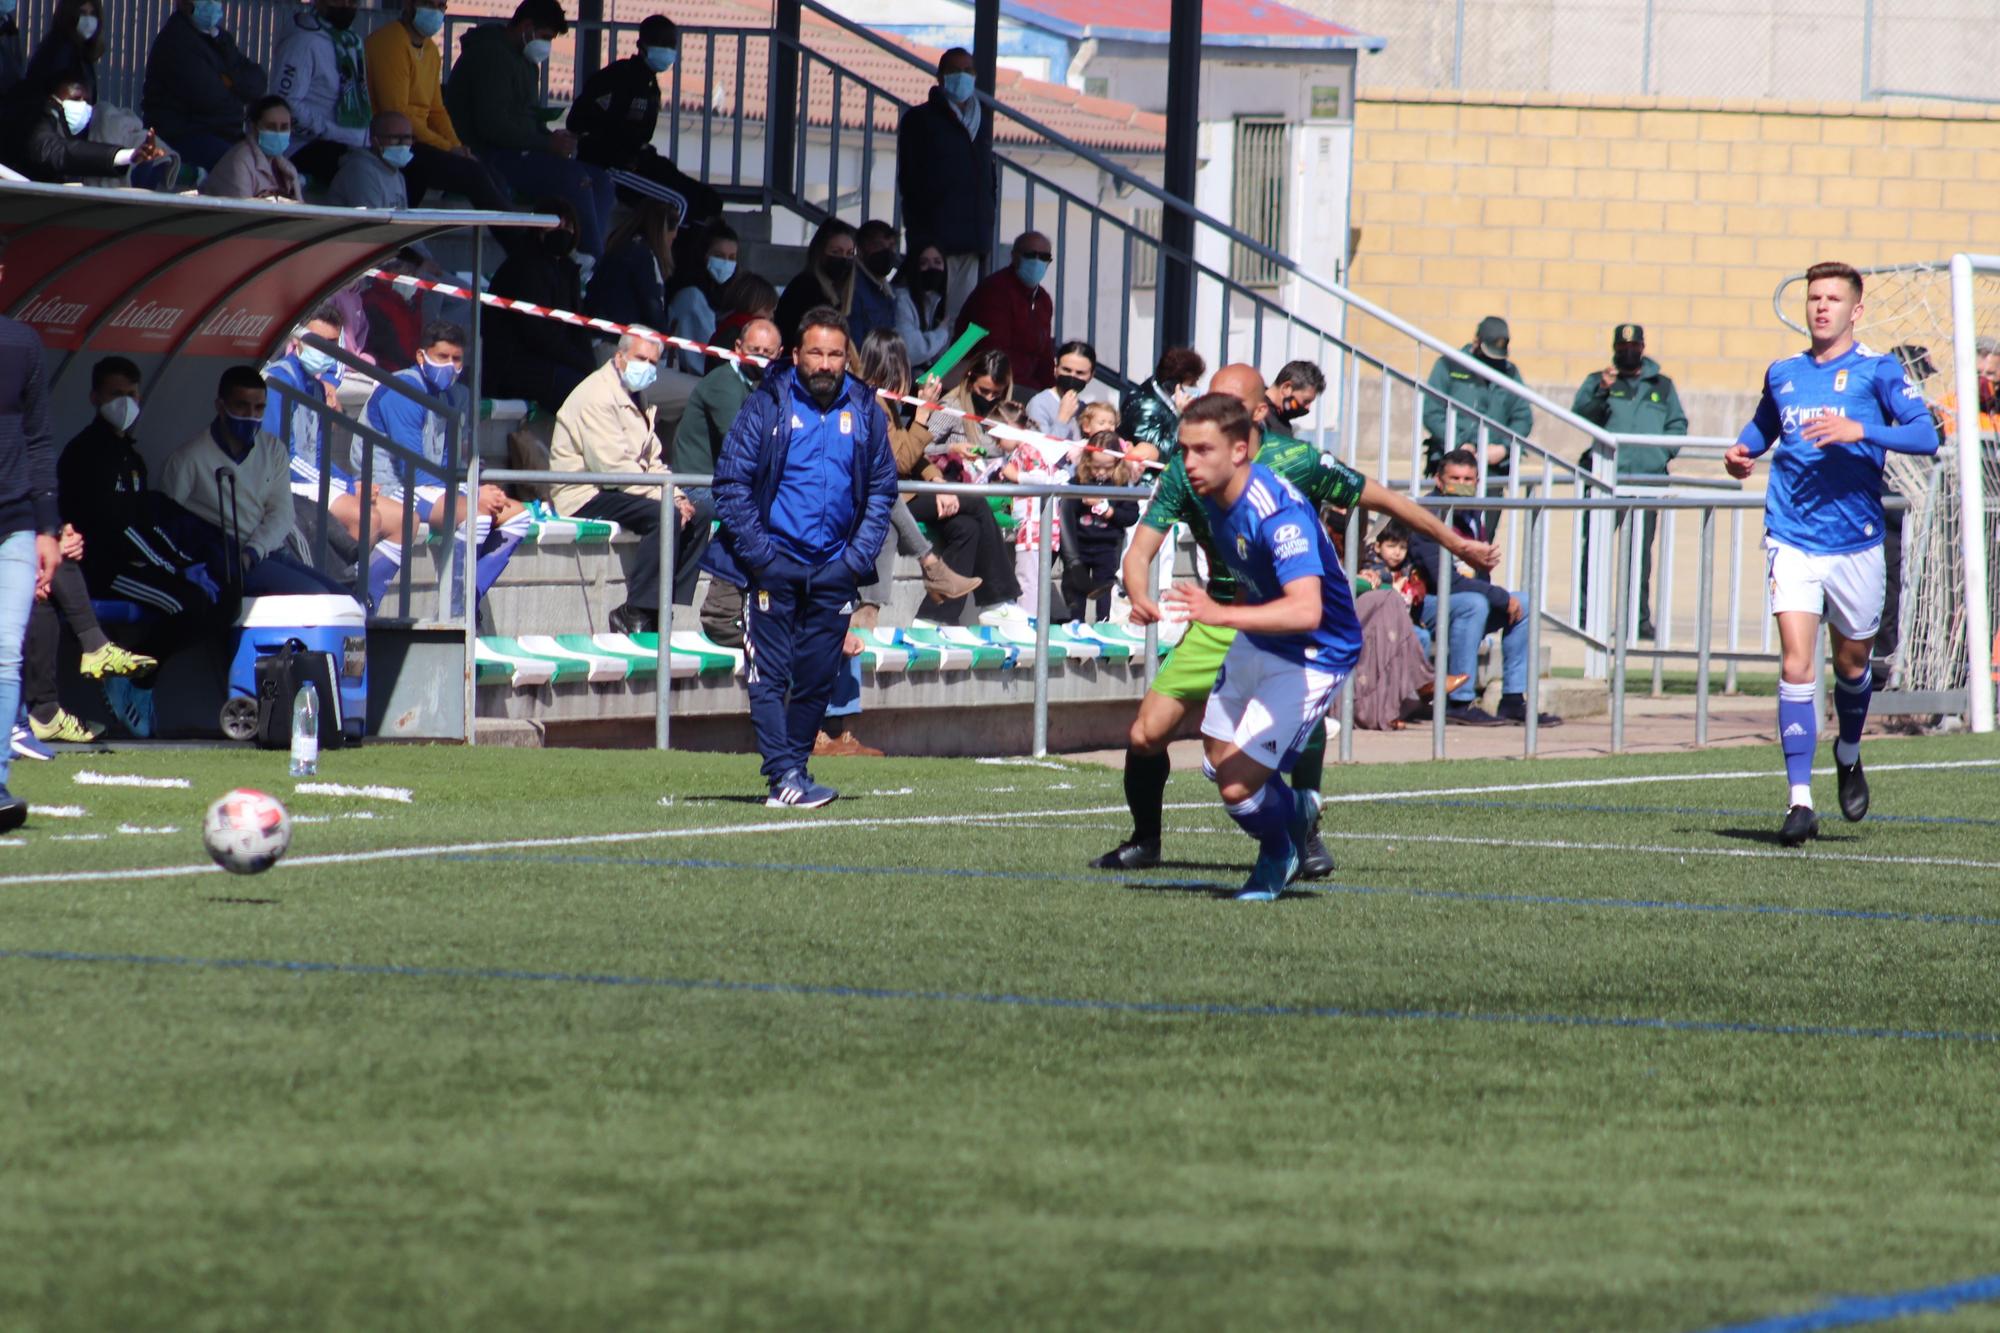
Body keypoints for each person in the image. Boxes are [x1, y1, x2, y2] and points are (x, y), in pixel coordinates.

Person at [1094, 363, 1499, 877]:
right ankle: (1145, 841)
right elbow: (1142, 547)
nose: (1208, 417)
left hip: (1285, 618)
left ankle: (1305, 837)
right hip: (1218, 615)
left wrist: (1457, 542)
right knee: (1146, 735)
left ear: (1257, 414)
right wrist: (1136, 592)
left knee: (1299, 730)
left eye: (1227, 405)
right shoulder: (1185, 466)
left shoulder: (1296, 461)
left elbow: (1384, 497)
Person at [1723, 260, 1940, 846]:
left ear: (1855, 310)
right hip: (1790, 535)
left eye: (1832, 299)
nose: (1821, 307)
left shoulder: (1878, 371)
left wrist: (1861, 431)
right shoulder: (1784, 371)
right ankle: (1799, 801)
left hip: (1858, 543)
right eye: (1814, 298)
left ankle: (1848, 749)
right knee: (1797, 662)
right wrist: (1741, 451)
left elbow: (1927, 436)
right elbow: (1764, 425)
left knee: (1850, 665)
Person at [1155, 394, 1365, 900]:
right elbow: (1252, 573)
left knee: (1236, 787)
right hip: (1256, 637)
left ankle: (1279, 853)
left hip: (1314, 651)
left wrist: (1219, 613)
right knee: (1213, 762)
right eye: (1184, 449)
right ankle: (1299, 807)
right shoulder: (1212, 496)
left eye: (1203, 450)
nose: (1189, 463)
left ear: (1242, 449)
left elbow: (1306, 610)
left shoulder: (1279, 514)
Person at [701, 305, 898, 809]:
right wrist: (762, 556)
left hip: (835, 568)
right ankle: (783, 776)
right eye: (816, 352)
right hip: (774, 564)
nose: (826, 363)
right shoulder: (768, 401)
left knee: (816, 678)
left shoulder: (865, 408)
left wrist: (855, 559)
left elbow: (881, 489)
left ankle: (794, 772)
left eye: (835, 354)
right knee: (769, 674)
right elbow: (731, 482)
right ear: (797, 354)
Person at [57, 355, 227, 730]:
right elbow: (116, 530)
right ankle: (135, 678)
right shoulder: (87, 453)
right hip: (102, 570)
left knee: (211, 601)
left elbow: (146, 523)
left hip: (132, 564)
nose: (126, 403)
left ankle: (134, 675)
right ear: (94, 397)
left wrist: (183, 562)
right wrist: (177, 568)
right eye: (116, 394)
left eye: (132, 394)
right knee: (189, 604)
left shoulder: (130, 456)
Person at [359, 322, 531, 614]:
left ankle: (465, 599)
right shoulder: (402, 391)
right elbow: (415, 468)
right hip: (395, 485)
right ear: (421, 356)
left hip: (432, 484)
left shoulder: (452, 395)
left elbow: (450, 462)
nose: (450, 366)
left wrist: (473, 488)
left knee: (517, 515)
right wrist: (474, 497)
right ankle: (457, 613)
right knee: (475, 513)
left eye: (456, 359)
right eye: (442, 357)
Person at [550, 330, 707, 633]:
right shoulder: (597, 395)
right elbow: (613, 469)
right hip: (586, 491)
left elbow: (653, 460)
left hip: (623, 486)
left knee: (703, 512)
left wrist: (674, 493)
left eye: (653, 361)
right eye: (640, 358)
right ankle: (636, 609)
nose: (647, 366)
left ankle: (663, 604)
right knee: (664, 515)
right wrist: (666, 499)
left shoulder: (637, 396)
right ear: (619, 357)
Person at [158, 366, 353, 599]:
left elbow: (281, 514)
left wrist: (253, 551)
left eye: (258, 408)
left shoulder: (273, 450)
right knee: (318, 598)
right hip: (225, 562)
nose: (251, 415)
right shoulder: (188, 459)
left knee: (347, 600)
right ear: (221, 407)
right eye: (241, 406)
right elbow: (166, 522)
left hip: (265, 552)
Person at [445, 0, 618, 259]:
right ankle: (590, 260)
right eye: (545, 37)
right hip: (487, 155)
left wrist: (553, 139)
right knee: (574, 179)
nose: (547, 45)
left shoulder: (526, 63)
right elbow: (492, 126)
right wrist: (547, 145)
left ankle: (590, 256)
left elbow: (528, 119)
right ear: (526, 26)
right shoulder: (489, 55)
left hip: (521, 152)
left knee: (602, 181)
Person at [1404, 449, 1558, 728]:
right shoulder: (1426, 515)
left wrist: (1499, 598)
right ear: (1438, 481)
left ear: (1477, 482)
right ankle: (1459, 702)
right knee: (1474, 603)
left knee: (1524, 602)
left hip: (1463, 604)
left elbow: (1477, 575)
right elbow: (1445, 581)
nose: (1461, 483)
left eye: (1468, 478)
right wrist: (1497, 597)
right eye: (1454, 478)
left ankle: (1513, 700)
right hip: (1425, 605)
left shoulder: (1473, 514)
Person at [848, 328, 983, 612]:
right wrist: (922, 415)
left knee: (966, 528)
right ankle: (996, 597)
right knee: (976, 502)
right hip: (882, 492)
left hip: (895, 493)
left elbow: (911, 453)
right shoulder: (872, 402)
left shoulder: (884, 402)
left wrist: (938, 482)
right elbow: (900, 461)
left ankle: (936, 615)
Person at [1573, 323, 1689, 640]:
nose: (1628, 351)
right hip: (1604, 480)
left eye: (1633, 346)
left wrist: (1663, 452)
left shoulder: (1662, 385)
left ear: (1642, 346)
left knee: (1641, 554)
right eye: (1622, 347)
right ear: (1614, 348)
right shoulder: (1599, 381)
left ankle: (1638, 620)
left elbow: (1677, 423)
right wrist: (1602, 389)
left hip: (1647, 481)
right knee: (1594, 550)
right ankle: (1586, 615)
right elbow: (1580, 415)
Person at [0, 242, 62, 828]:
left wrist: (47, 526)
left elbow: (40, 441)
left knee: (3, 654)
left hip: (14, 521)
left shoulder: (21, 343)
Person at [565, 13, 720, 226]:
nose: (667, 50)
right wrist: (617, 149)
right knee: (678, 204)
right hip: (611, 166)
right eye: (660, 43)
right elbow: (578, 122)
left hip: (640, 161)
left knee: (708, 201)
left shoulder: (650, 87)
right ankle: (665, 255)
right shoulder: (617, 77)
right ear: (641, 44)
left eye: (671, 44)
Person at [364, 0, 513, 213]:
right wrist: (447, 148)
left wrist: (457, 147)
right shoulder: (389, 42)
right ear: (409, 4)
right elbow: (397, 113)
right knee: (473, 175)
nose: (437, 12)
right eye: (430, 5)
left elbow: (436, 110)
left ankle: (519, 229)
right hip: (396, 143)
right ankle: (521, 237)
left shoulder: (431, 51)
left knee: (489, 173)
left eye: (442, 6)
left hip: (422, 142)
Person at [895, 47, 993, 323]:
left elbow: (987, 176)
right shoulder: (920, 119)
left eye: (968, 71)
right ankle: (935, 367)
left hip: (973, 240)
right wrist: (921, 238)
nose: (962, 77)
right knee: (935, 316)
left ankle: (956, 367)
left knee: (966, 319)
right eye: (954, 71)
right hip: (936, 244)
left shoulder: (981, 121)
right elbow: (910, 181)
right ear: (940, 77)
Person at [484, 199, 596, 416]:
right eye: (556, 225)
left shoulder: (566, 270)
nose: (563, 232)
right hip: (516, 367)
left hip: (554, 365)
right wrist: (582, 364)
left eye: (568, 226)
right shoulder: (523, 267)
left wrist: (590, 366)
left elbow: (577, 326)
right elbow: (537, 335)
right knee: (591, 398)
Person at [139, 0, 267, 171]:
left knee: (263, 162)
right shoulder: (177, 41)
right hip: (183, 137)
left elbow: (257, 83)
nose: (213, 4)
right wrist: (237, 88)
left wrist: (231, 82)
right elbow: (212, 100)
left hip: (220, 135)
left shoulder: (219, 38)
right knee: (239, 167)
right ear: (184, 3)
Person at [270, 0, 368, 182]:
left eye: (353, 1)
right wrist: (327, 130)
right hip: (307, 147)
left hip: (353, 141)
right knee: (364, 173)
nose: (346, 5)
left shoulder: (351, 41)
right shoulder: (303, 41)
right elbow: (284, 105)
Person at [1423, 315, 1532, 477]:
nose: (1492, 361)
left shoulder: (1510, 372)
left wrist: (1503, 448)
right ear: (1476, 341)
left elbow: (1522, 417)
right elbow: (1432, 412)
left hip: (1492, 467)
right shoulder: (1449, 365)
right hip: (1453, 463)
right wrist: (1458, 444)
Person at [954, 230, 1056, 397]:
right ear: (1014, 256)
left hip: (1028, 384)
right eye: (1030, 255)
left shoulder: (1043, 300)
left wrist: (1052, 392)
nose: (1037, 261)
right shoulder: (995, 291)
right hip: (991, 381)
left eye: (1044, 257)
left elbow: (1044, 354)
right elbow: (994, 352)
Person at [15, 75, 169, 184]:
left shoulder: (88, 130)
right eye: (76, 99)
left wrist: (141, 159)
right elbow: (57, 152)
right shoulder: (34, 124)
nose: (83, 106)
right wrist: (126, 155)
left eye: (87, 101)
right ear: (52, 100)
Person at [1058, 434, 1137, 621]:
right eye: (1096, 467)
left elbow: (1131, 515)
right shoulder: (1079, 481)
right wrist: (1080, 499)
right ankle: (1075, 623)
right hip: (1081, 545)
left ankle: (1104, 622)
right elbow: (1066, 510)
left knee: (1105, 588)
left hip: (1107, 546)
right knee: (1074, 587)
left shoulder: (1121, 486)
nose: (1101, 472)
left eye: (1107, 468)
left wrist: (1109, 511)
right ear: (1087, 462)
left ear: (1117, 464)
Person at [585, 197, 679, 332]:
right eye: (672, 238)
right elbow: (652, 306)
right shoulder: (643, 256)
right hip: (617, 340)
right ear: (663, 234)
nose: (670, 245)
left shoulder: (621, 247)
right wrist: (664, 336)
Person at [664, 221, 738, 375]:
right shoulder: (692, 296)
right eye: (719, 255)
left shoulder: (722, 296)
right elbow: (703, 358)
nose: (726, 263)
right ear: (703, 255)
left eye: (732, 258)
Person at [773, 218, 860, 350]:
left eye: (849, 253)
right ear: (820, 253)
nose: (844, 259)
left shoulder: (840, 291)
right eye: (836, 252)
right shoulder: (805, 288)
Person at [199, 95, 303, 201]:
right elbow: (241, 214)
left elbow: (301, 211)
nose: (278, 133)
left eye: (284, 127)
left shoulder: (288, 169)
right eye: (271, 127)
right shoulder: (240, 162)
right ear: (254, 128)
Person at [1119, 346, 1205, 465]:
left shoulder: (1170, 402)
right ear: (1172, 384)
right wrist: (1181, 419)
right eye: (1191, 383)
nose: (1195, 388)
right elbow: (1162, 454)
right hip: (1148, 480)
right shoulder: (1145, 407)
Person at [326, 110, 415, 209]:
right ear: (374, 141)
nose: (402, 144)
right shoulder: (360, 170)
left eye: (407, 137)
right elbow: (370, 221)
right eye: (395, 138)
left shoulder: (397, 175)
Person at [891, 242, 951, 373]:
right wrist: (941, 334)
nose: (932, 268)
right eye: (924, 263)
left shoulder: (935, 300)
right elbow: (912, 352)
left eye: (937, 262)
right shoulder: (901, 300)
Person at [1026, 340, 1102, 443]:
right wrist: (1062, 418)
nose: (1072, 376)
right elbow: (1040, 451)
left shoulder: (1085, 409)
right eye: (1066, 370)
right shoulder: (1039, 404)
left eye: (1080, 373)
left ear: (1091, 376)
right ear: (1056, 369)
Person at [850, 219, 900, 347]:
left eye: (891, 246)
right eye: (879, 246)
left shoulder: (889, 290)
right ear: (860, 250)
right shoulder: (851, 288)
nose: (887, 252)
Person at [1268, 360, 1326, 431]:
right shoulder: (1260, 418)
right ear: (1286, 388)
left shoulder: (1280, 419)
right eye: (1306, 401)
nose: (1307, 408)